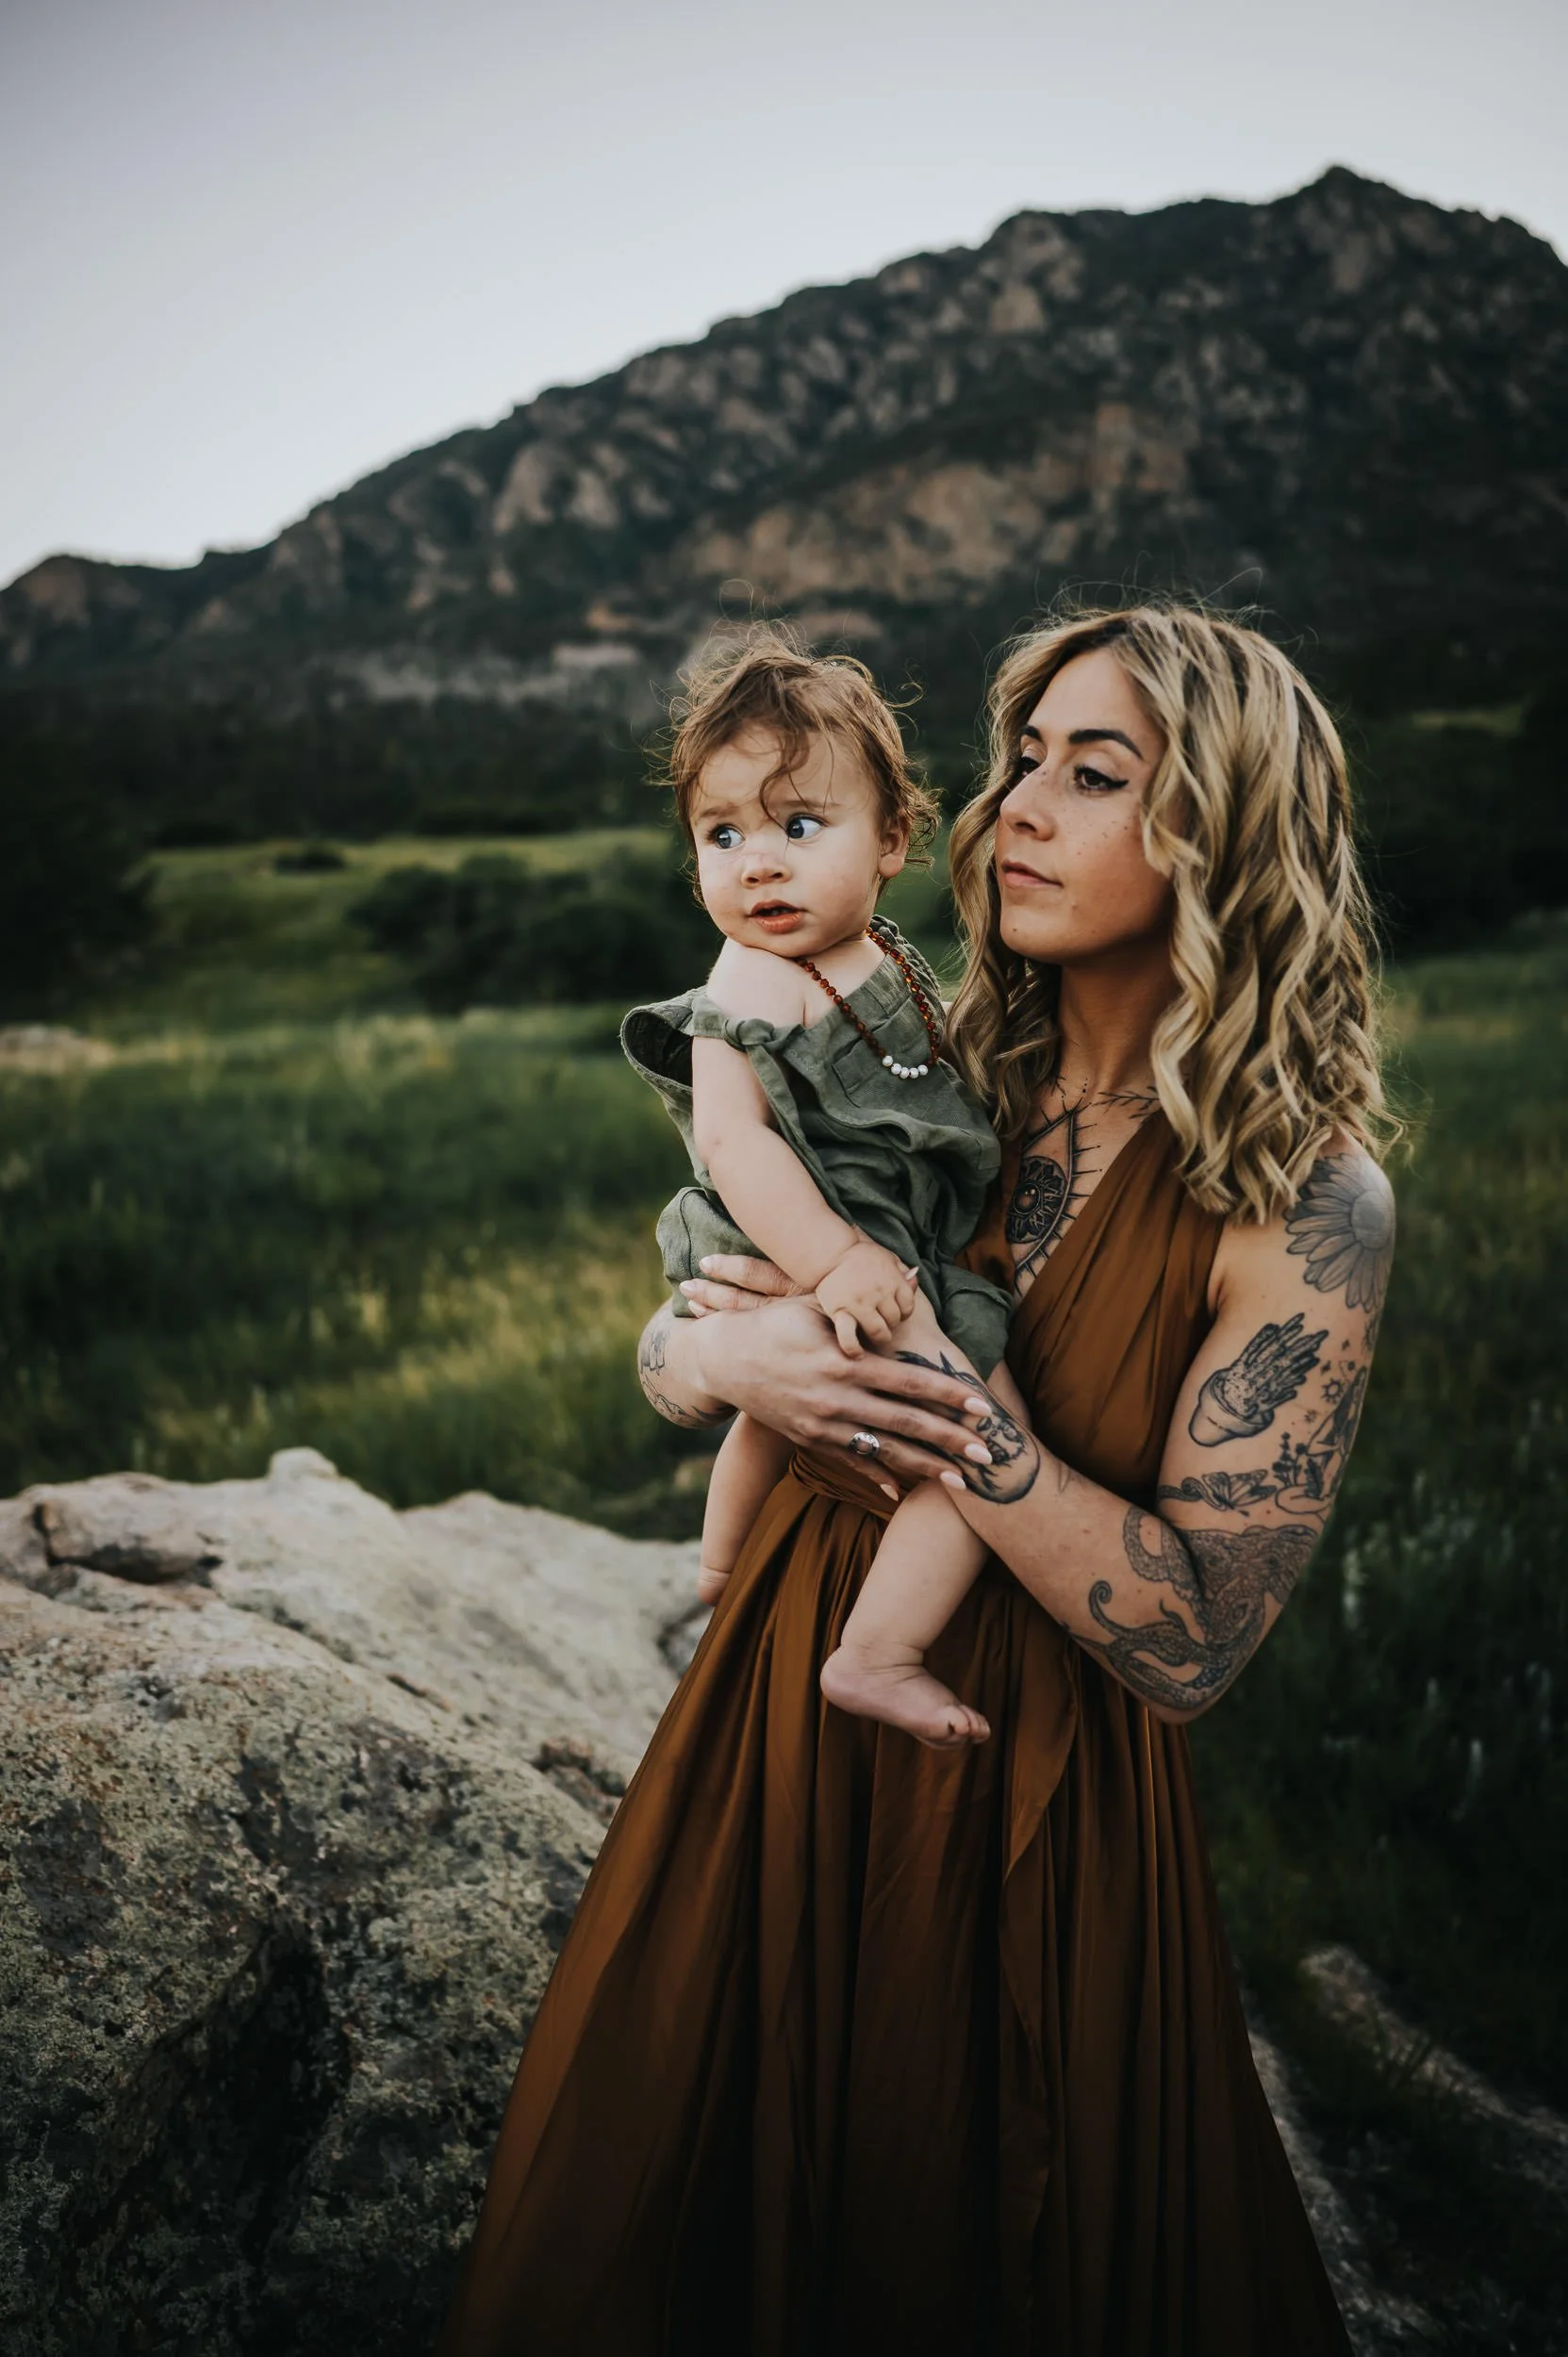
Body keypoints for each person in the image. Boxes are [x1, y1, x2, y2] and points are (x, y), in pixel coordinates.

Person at [437, 603, 1395, 2357]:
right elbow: (687, 1329)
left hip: (1030, 1797)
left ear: (1222, 834)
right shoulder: (937, 1065)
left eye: (1088, 773)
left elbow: (1187, 1644)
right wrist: (718, 1359)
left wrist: (967, 1414)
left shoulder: (1301, 1202)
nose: (1012, 806)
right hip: (778, 1720)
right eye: (1018, 757)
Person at [621, 635, 1023, 1746]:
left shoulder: (883, 955)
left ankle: (719, 1565)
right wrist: (834, 1260)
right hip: (807, 1237)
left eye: (799, 826)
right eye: (722, 834)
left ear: (893, 839)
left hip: (877, 1242)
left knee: (802, 1397)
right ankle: (874, 1650)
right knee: (988, 1436)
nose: (757, 863)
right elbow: (734, 1143)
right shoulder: (744, 979)